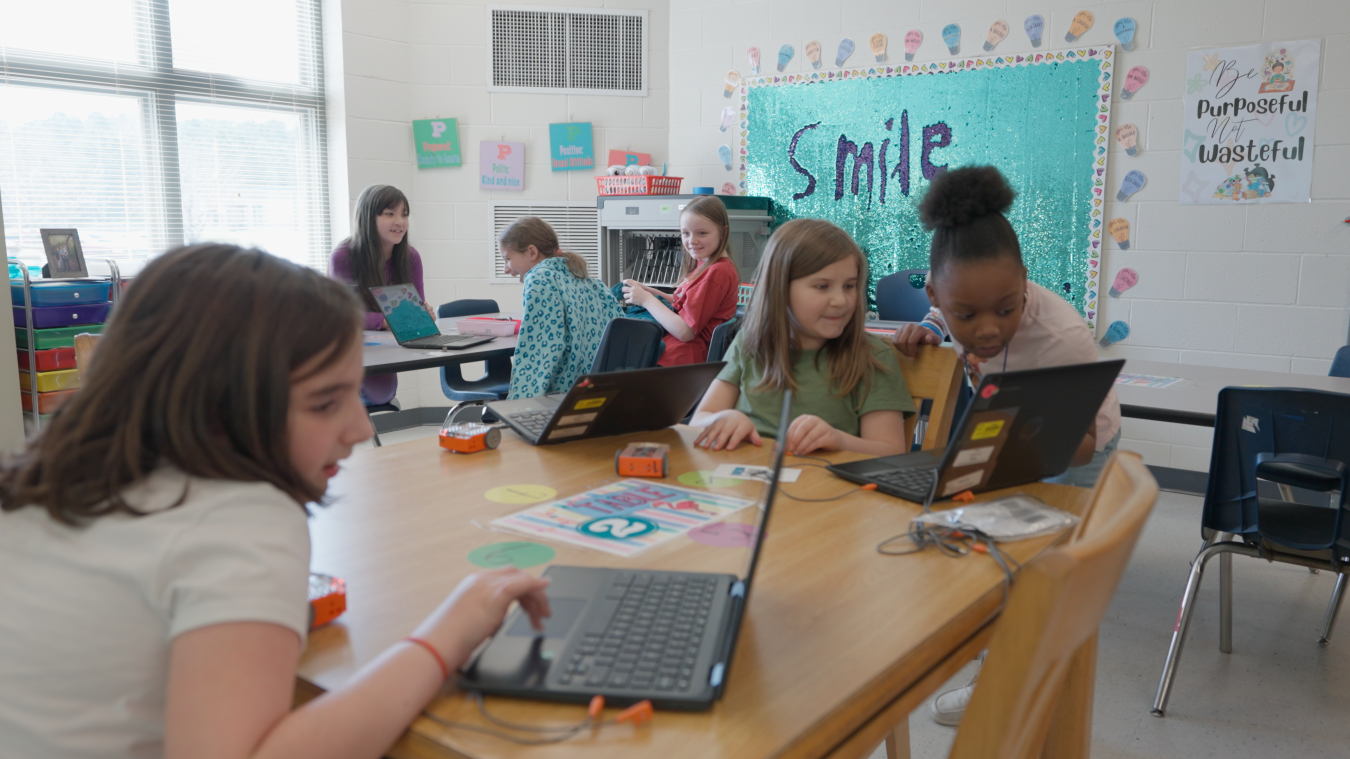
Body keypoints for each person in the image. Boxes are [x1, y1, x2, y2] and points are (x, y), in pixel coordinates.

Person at [0, 245, 551, 758]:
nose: (361, 428)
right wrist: (450, 633)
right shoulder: (243, 515)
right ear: (215, 409)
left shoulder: (49, 481)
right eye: (322, 404)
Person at [889, 165, 1122, 726]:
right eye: (965, 314)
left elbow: (1083, 446)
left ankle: (1019, 686)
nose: (989, 328)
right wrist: (937, 329)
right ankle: (1007, 666)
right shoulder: (950, 303)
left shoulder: (1060, 339)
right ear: (936, 294)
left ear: (1025, 282)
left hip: (1078, 449)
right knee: (1002, 561)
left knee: (1046, 573)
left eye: (1006, 308)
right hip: (1013, 437)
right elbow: (949, 310)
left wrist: (1003, 449)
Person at [689, 218, 915, 457]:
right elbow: (698, 421)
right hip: (746, 486)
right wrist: (725, 418)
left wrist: (838, 440)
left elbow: (890, 451)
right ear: (780, 290)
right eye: (822, 286)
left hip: (824, 491)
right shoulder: (750, 342)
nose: (840, 300)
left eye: (849, 286)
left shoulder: (872, 356)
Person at [500, 217, 622, 399]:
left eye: (507, 259)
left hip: (564, 391)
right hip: (599, 386)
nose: (506, 269)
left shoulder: (538, 279)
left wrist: (518, 405)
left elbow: (541, 349)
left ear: (532, 252)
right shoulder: (587, 279)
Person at [328, 184, 424, 406]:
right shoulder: (343, 257)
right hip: (353, 345)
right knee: (376, 396)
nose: (400, 222)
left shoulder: (411, 257)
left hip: (389, 343)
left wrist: (423, 314)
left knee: (382, 396)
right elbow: (344, 315)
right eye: (390, 214)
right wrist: (384, 320)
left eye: (404, 214)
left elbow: (414, 310)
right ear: (368, 218)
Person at [621, 196, 740, 366]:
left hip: (681, 359)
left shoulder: (717, 273)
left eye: (702, 233)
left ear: (723, 232)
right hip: (678, 352)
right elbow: (681, 303)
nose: (691, 240)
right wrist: (648, 291)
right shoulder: (705, 263)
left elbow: (685, 332)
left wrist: (646, 300)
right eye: (686, 233)